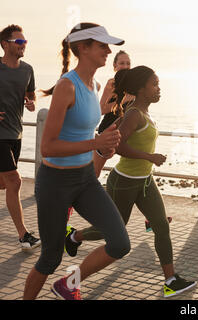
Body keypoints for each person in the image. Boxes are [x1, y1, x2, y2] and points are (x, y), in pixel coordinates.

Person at [65, 65, 197, 298]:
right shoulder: (134, 113)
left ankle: (170, 280)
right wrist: (150, 157)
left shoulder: (142, 112)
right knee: (113, 233)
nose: (159, 88)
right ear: (141, 89)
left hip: (145, 181)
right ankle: (74, 238)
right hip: (124, 182)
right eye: (154, 84)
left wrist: (147, 161)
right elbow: (118, 146)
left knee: (161, 225)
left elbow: (125, 136)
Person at [23, 23, 131, 300]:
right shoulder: (66, 86)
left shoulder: (93, 84)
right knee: (50, 258)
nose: (108, 50)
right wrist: (96, 143)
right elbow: (48, 147)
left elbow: (83, 129)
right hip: (55, 183)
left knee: (119, 243)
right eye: (102, 45)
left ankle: (68, 284)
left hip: (84, 179)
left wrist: (106, 137)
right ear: (83, 48)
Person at [0, 24, 40, 252]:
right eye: (19, 42)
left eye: (25, 42)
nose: (24, 45)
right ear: (5, 44)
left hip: (16, 133)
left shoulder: (28, 70)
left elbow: (30, 96)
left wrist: (31, 103)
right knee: (15, 181)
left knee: (4, 184)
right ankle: (24, 236)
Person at [94, 50, 133, 177]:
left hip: (125, 134)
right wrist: (122, 101)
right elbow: (100, 110)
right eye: (122, 63)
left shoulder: (135, 87)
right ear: (115, 66)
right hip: (108, 132)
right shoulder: (112, 84)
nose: (126, 66)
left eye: (128, 63)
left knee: (133, 168)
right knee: (94, 173)